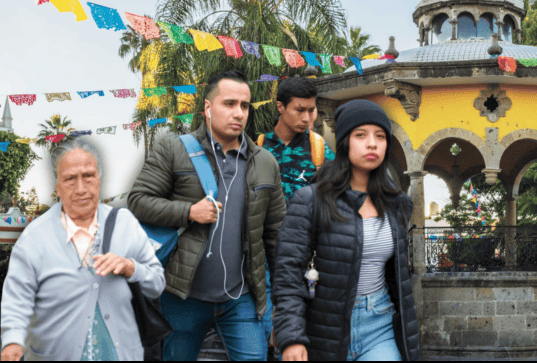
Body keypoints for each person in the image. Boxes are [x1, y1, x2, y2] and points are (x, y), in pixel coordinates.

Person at [128, 70, 286, 361]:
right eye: (229, 103)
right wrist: (189, 212)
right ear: (207, 108)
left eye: (244, 105)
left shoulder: (265, 162)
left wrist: (284, 302)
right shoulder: (174, 148)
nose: (238, 113)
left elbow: (277, 235)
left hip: (242, 297)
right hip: (183, 296)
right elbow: (138, 201)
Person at [272, 99, 420, 361]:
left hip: (379, 324)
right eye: (360, 135)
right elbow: (288, 274)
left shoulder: (397, 204)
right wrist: (291, 336)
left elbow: (398, 278)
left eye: (380, 136)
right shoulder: (310, 200)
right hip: (323, 328)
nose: (372, 143)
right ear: (344, 143)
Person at [1, 139, 165, 361]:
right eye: (70, 179)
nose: (81, 188)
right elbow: (16, 300)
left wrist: (130, 268)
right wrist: (12, 342)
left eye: (88, 176)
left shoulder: (125, 224)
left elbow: (157, 284)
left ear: (99, 178)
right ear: (57, 187)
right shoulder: (34, 237)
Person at [256, 76, 335, 351]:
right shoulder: (258, 147)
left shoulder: (319, 149)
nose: (307, 117)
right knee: (263, 334)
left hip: (304, 257)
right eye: (299, 110)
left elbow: (337, 196)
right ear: (280, 107)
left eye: (311, 110)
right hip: (262, 257)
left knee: (296, 333)